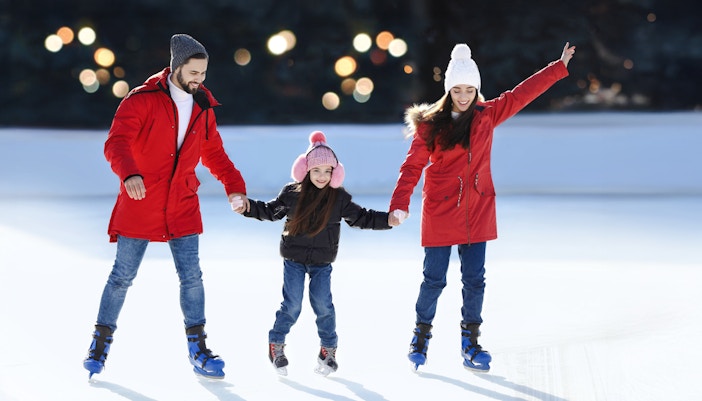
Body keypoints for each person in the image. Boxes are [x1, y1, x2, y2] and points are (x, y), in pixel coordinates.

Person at [388, 42, 576, 372]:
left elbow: (521, 94)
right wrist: (399, 203)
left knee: (475, 281)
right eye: (457, 89)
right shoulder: (431, 124)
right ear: (448, 90)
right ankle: (420, 337)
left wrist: (557, 67)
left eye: (469, 89)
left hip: (477, 208)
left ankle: (471, 343)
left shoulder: (487, 116)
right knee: (434, 280)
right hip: (441, 211)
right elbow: (412, 167)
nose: (463, 96)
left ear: (477, 89)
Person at [83, 33, 249, 380]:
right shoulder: (142, 100)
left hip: (182, 204)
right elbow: (117, 142)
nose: (199, 80)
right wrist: (129, 174)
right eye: (193, 73)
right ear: (176, 67)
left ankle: (198, 348)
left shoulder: (203, 106)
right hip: (141, 201)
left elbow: (214, 154)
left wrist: (235, 188)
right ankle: (100, 343)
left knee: (192, 278)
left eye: (203, 74)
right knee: (122, 277)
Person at [235, 131, 394, 377]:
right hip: (294, 260)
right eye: (317, 170)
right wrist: (247, 207)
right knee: (293, 305)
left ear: (335, 173)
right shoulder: (292, 193)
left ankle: (327, 351)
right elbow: (269, 211)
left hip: (322, 262)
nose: (322, 176)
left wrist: (388, 220)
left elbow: (362, 217)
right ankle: (276, 344)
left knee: (323, 306)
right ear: (306, 170)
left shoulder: (338, 198)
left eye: (328, 171)